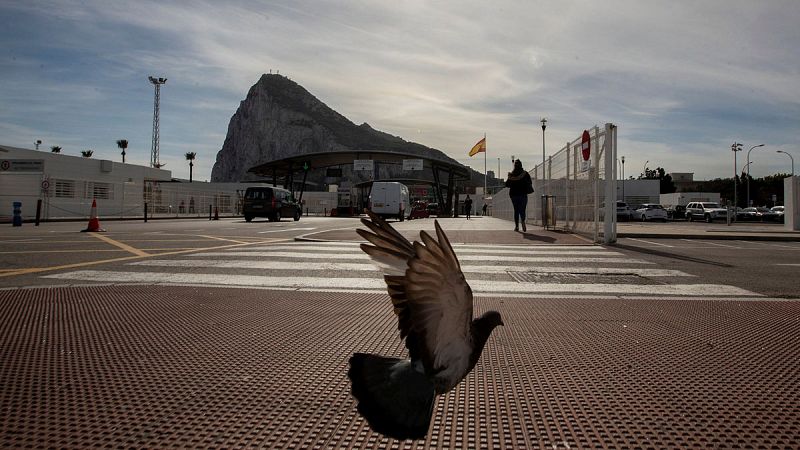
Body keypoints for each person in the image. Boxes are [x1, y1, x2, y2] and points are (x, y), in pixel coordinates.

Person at [505, 159, 533, 232]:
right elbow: (530, 182)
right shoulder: (525, 173)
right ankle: (523, 220)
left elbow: (507, 185)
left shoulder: (511, 174)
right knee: (522, 209)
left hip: (514, 195)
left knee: (516, 210)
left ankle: (517, 226)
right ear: (521, 165)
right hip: (523, 194)